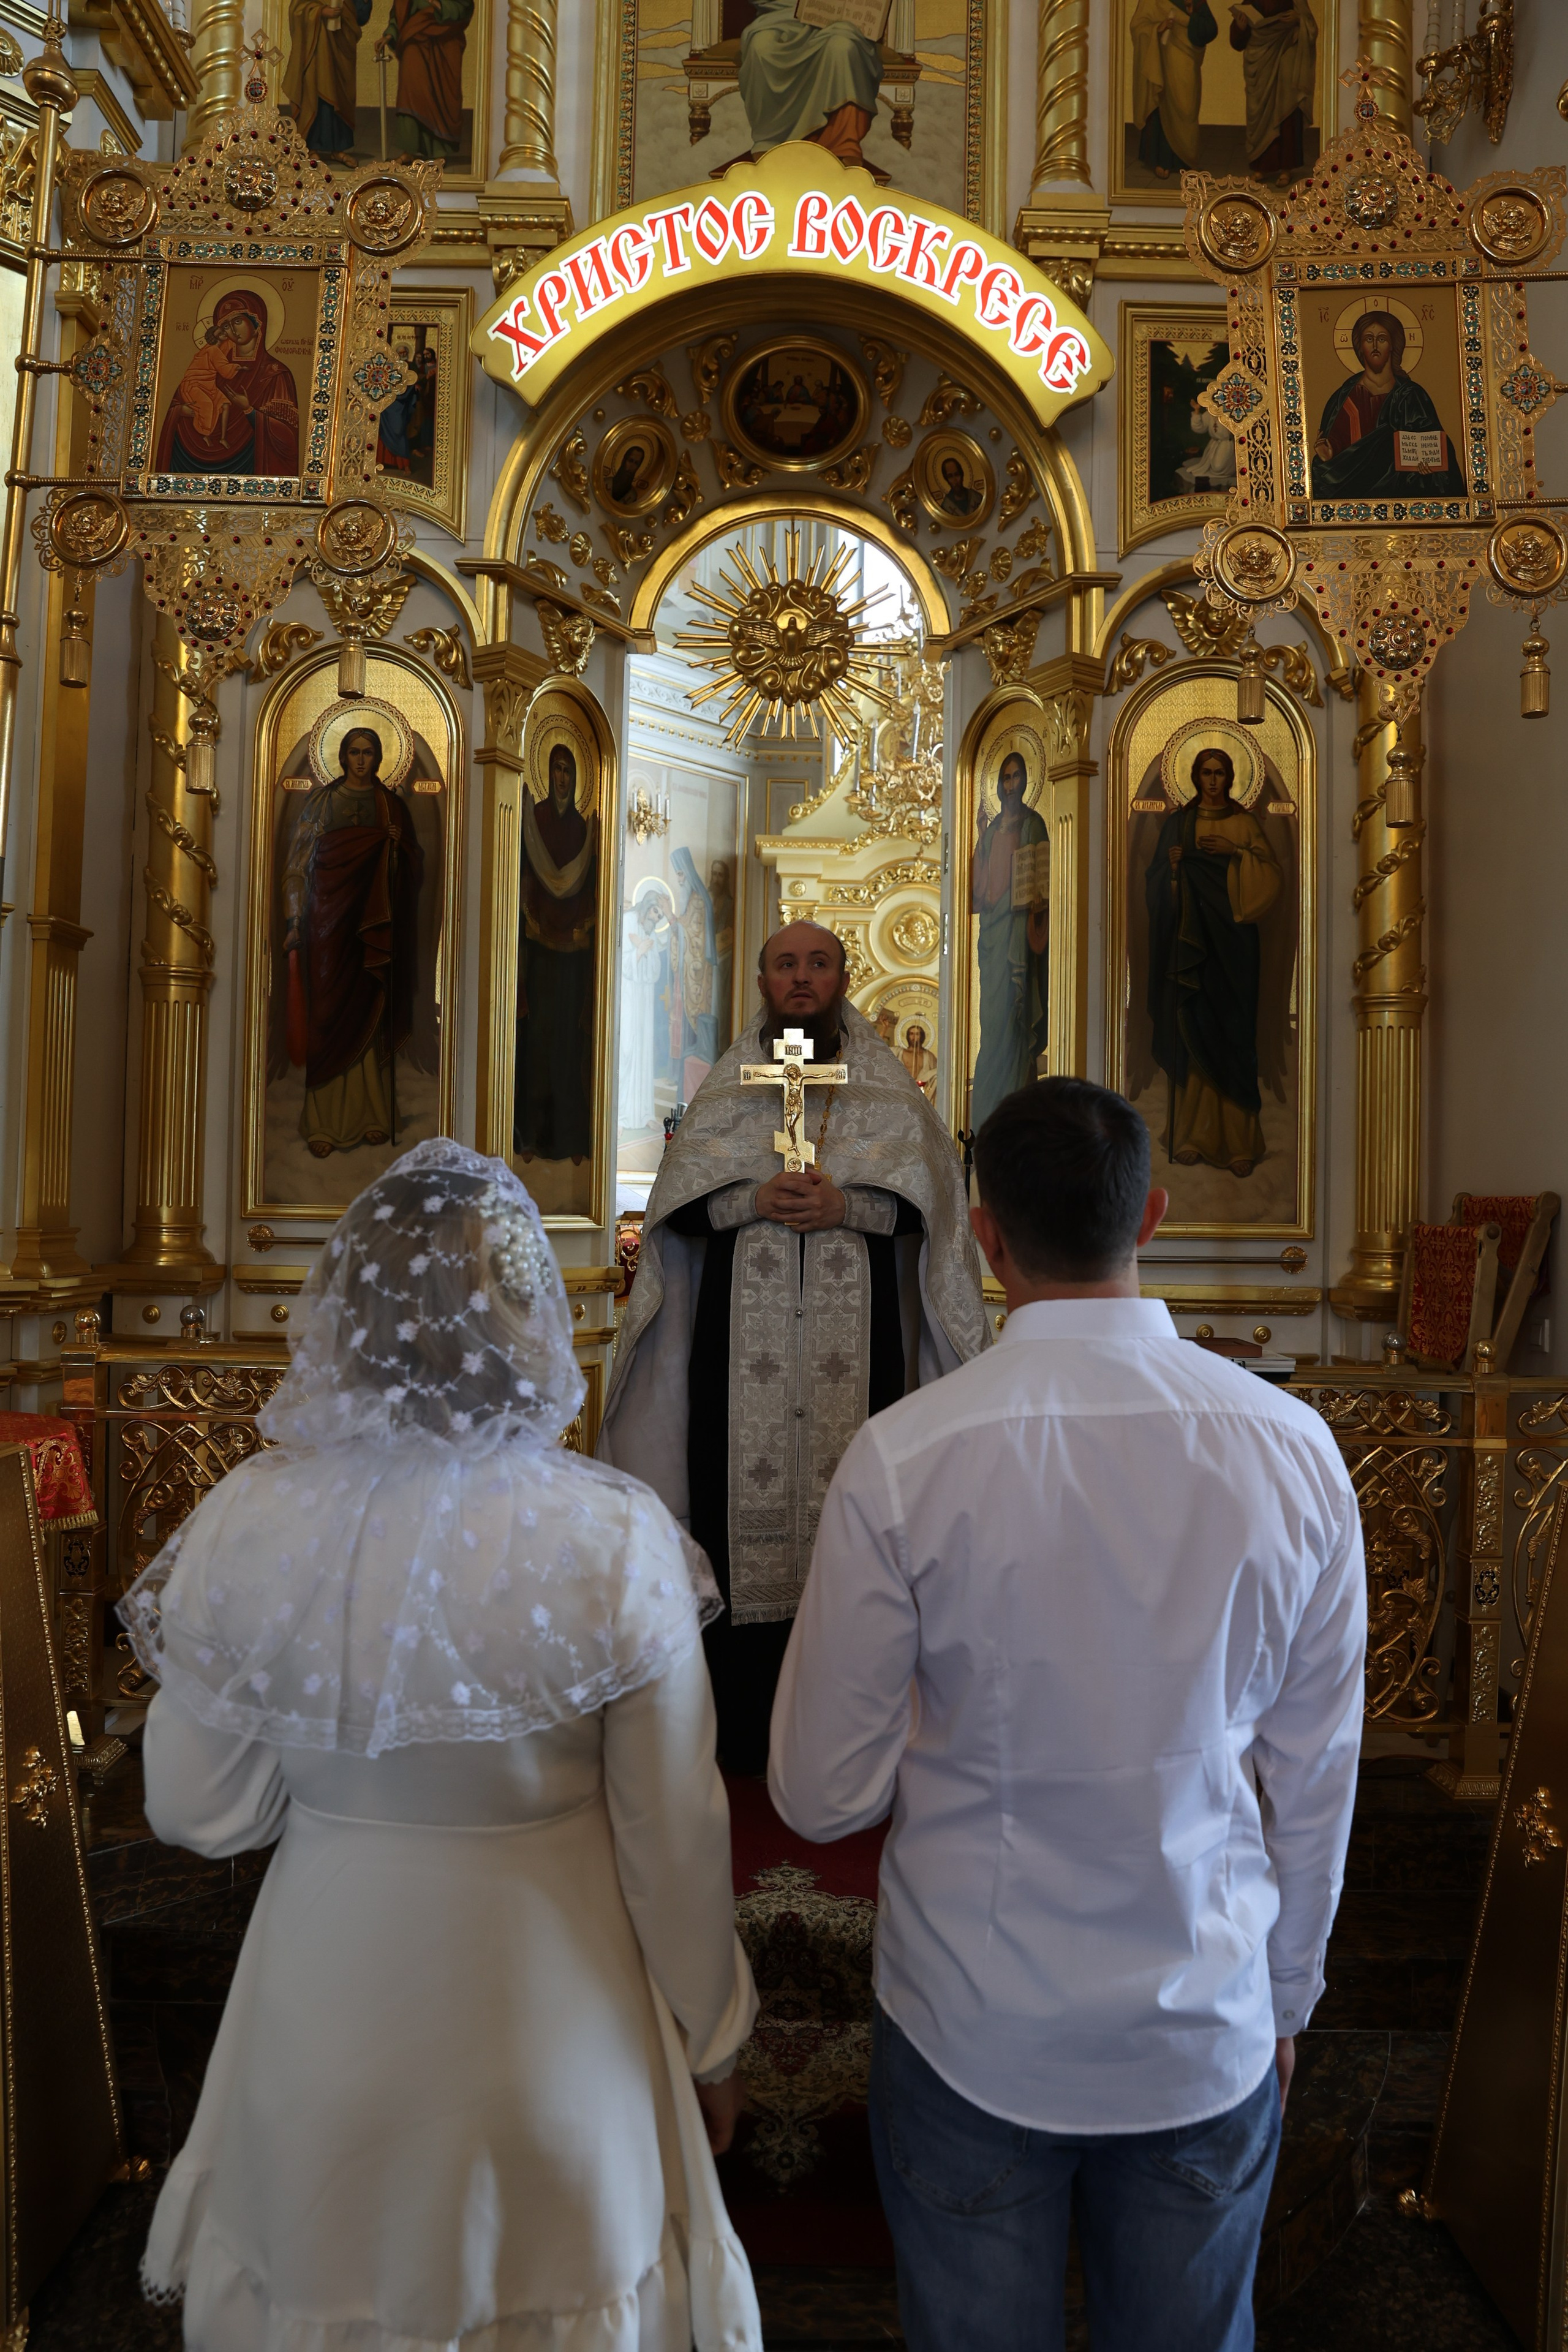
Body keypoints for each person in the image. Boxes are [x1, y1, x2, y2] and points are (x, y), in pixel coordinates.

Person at [122, 1140, 763, 2352]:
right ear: (527, 1318)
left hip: (323, 2015)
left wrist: (325, 1770)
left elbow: (197, 1812)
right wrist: (712, 2035)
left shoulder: (251, 1520)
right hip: (556, 2033)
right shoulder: (614, 1537)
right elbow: (671, 1842)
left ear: (346, 1311)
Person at [771, 1077, 1366, 2352]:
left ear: (983, 1240)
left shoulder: (906, 1457)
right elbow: (1315, 1771)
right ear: (1146, 1214)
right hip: (1205, 2009)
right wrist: (1287, 2000)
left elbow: (820, 1794)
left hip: (972, 2013)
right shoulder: (1292, 1447)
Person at [598, 922, 988, 1776]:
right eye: (786, 965)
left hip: (865, 1355)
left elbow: (933, 1216)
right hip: (739, 1359)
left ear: (844, 977)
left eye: (818, 964)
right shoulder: (731, 1091)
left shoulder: (887, 1094)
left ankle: (855, 1746)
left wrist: (852, 1208)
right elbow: (678, 1216)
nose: (802, 979)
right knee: (738, 1525)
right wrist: (751, 1200)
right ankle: (737, 1739)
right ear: (764, 980)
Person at [273, 725, 427, 1159]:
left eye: (370, 753)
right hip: (327, 928)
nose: (361, 759)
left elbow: (414, 872)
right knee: (328, 1018)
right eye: (354, 752)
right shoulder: (321, 803)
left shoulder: (391, 807)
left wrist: (398, 852)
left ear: (379, 759)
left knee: (369, 1016)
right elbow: (297, 866)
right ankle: (322, 1121)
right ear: (341, 757)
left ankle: (374, 1115)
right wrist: (293, 920)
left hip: (373, 928)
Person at [1146, 745, 1280, 1177]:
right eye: (1206, 773)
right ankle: (1191, 1135)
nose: (1213, 780)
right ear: (1194, 775)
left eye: (1221, 773)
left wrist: (1235, 853)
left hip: (1235, 946)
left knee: (1234, 1035)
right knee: (1195, 1033)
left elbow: (1270, 878)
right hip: (1192, 945)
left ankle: (1240, 1141)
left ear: (1231, 777)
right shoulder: (1178, 824)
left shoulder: (1244, 823)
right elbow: (1156, 891)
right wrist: (1170, 871)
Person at [516, 739, 597, 1165]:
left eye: (568, 770)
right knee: (537, 1042)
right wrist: (533, 916)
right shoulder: (537, 820)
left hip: (574, 956)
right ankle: (530, 1138)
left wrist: (582, 925)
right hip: (540, 950)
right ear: (547, 775)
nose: (562, 778)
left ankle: (570, 1141)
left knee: (570, 1043)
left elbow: (588, 889)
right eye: (557, 770)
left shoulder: (583, 830)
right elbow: (527, 879)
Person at [1311, 308, 1466, 500]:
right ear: (1360, 347)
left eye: (1382, 339)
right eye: (1369, 339)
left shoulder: (1412, 396)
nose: (1375, 346)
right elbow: (1327, 475)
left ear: (1393, 345)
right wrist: (1325, 460)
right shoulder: (1342, 398)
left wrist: (1428, 473)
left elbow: (1441, 460)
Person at [970, 750, 1048, 1131]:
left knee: (1016, 1020)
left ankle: (1016, 1107)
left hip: (1020, 932)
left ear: (1026, 781)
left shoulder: (1034, 824)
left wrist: (1037, 905)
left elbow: (1045, 877)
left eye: (1017, 776)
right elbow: (977, 894)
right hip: (994, 934)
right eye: (1005, 777)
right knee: (994, 1019)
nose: (1011, 783)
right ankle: (986, 1113)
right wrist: (978, 838)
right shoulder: (991, 830)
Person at [154, 289, 300, 476]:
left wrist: (249, 411)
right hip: (191, 471)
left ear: (257, 323)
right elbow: (177, 407)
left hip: (251, 473)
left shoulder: (274, 374)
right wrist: (180, 412)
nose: (232, 331)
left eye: (237, 322)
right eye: (226, 326)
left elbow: (288, 441)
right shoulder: (210, 366)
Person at [733, 0, 886, 176]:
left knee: (843, 47)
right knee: (762, 47)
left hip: (840, 20)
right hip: (782, 17)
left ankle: (843, 144)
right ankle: (773, 140)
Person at [1229, 0, 1317, 183]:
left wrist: (1299, 19)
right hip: (1259, 62)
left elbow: (1312, 29)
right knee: (1260, 115)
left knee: (1287, 113)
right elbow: (1238, 42)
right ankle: (1263, 167)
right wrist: (1240, 26)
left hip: (1286, 56)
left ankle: (1286, 168)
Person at [1130, 0, 1218, 179]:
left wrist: (1188, 17)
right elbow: (1137, 26)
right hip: (1161, 60)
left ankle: (1187, 160)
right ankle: (1162, 161)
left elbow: (1210, 30)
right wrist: (1157, 28)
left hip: (1187, 60)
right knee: (1163, 107)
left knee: (1187, 107)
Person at [379, 0, 473, 160]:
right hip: (414, 40)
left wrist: (437, 4)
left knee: (440, 96)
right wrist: (389, 35)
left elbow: (466, 7)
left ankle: (439, 153)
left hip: (445, 41)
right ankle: (408, 152)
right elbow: (400, 13)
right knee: (411, 93)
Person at [282, 0, 371, 157]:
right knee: (316, 94)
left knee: (339, 95)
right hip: (316, 50)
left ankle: (337, 150)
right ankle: (310, 148)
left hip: (341, 47)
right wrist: (320, 12)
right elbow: (297, 9)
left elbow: (360, 16)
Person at [899, 1022, 937, 1099]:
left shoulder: (929, 1056)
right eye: (912, 1034)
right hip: (902, 1091)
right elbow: (879, 1050)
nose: (914, 1037)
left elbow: (934, 1076)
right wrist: (885, 1029)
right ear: (908, 1036)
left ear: (922, 1036)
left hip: (923, 1093)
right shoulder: (898, 1052)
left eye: (917, 1034)